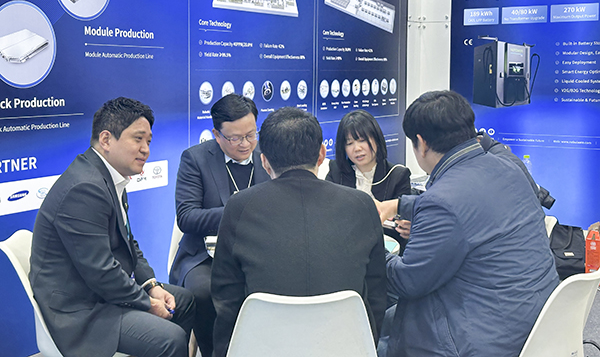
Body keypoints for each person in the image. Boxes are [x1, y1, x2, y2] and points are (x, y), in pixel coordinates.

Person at [378, 90, 558, 357]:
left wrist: (372, 246)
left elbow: (408, 282)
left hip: (485, 340)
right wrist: (399, 205)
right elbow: (471, 206)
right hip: (539, 323)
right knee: (389, 320)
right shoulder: (508, 168)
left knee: (379, 330)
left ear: (421, 143)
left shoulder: (443, 200)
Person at [211, 107, 387, 357]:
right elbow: (376, 295)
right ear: (322, 154)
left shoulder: (240, 207)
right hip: (347, 347)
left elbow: (227, 300)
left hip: (261, 348)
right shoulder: (361, 205)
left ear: (264, 161)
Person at [29, 97, 195, 357]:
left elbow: (129, 244)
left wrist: (151, 285)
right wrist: (146, 302)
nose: (146, 150)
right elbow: (100, 271)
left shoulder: (111, 177)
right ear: (106, 140)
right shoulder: (85, 188)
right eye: (138, 139)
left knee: (185, 301)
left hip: (102, 293)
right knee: (170, 339)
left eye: (148, 141)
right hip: (81, 310)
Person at [169, 94, 270, 357]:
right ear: (216, 134)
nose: (245, 144)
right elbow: (187, 216)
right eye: (235, 138)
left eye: (251, 134)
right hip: (205, 256)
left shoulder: (267, 154)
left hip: (260, 251)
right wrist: (236, 212)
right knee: (204, 293)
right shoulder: (195, 159)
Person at [325, 109, 412, 248]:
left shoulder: (398, 175)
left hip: (384, 251)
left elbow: (402, 225)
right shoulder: (336, 172)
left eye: (362, 140)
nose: (357, 148)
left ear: (376, 139)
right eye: (349, 143)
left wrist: (407, 226)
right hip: (343, 248)